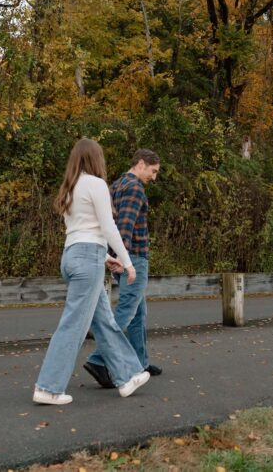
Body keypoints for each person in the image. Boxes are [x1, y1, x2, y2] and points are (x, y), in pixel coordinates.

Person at [32, 138, 151, 405]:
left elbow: (80, 232)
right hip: (87, 259)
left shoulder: (70, 188)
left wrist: (106, 257)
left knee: (104, 321)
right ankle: (48, 387)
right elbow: (108, 227)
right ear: (95, 159)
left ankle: (128, 375)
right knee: (73, 325)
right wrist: (127, 263)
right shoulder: (96, 185)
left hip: (75, 255)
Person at [83, 149, 161, 389]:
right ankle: (99, 359)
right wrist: (123, 260)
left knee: (138, 313)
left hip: (126, 257)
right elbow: (124, 226)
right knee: (127, 310)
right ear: (140, 164)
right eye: (153, 171)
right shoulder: (134, 188)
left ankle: (140, 363)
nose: (154, 177)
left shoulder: (116, 185)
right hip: (134, 258)